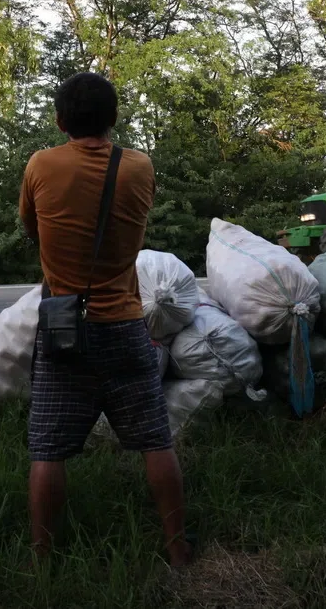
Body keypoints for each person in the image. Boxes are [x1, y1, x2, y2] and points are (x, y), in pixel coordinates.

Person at [19, 71, 194, 567]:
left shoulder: (41, 165)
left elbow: (32, 228)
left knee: (48, 449)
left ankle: (42, 557)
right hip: (124, 325)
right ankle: (177, 546)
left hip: (64, 329)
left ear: (60, 121)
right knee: (155, 440)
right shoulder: (139, 167)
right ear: (113, 118)